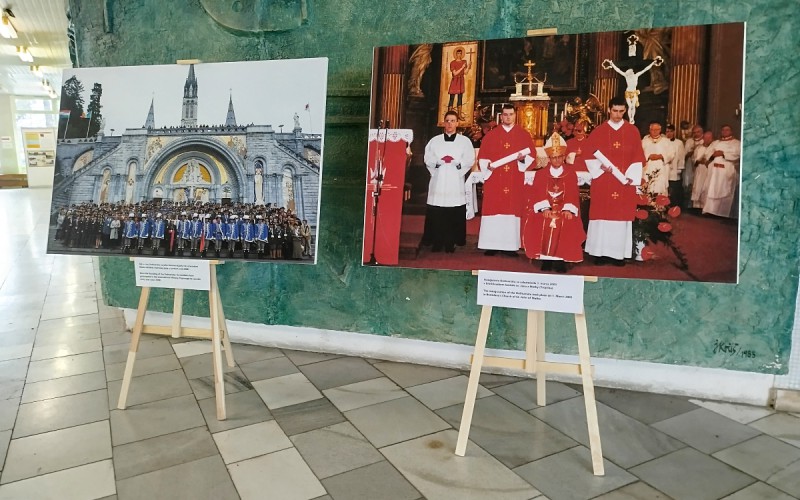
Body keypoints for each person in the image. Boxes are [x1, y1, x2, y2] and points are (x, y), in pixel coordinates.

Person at [582, 97, 645, 266]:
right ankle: (599, 253)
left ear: (626, 111)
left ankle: (618, 254)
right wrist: (600, 167)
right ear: (609, 110)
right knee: (602, 217)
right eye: (615, 111)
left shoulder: (633, 131)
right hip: (603, 180)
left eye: (621, 111)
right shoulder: (598, 131)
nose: (618, 115)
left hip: (624, 182)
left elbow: (638, 156)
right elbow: (588, 155)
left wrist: (631, 175)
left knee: (620, 218)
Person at [477, 104, 535, 256]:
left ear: (515, 116)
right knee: (494, 210)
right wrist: (487, 165)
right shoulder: (491, 135)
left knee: (512, 210)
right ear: (500, 116)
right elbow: (482, 157)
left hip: (514, 180)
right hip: (495, 180)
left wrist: (523, 160)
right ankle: (491, 244)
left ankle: (510, 246)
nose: (508, 117)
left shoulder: (524, 135)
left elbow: (532, 158)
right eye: (505, 114)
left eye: (511, 114)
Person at [523, 134, 585, 272]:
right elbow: (537, 193)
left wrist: (568, 209)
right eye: (553, 157)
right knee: (543, 219)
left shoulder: (570, 173)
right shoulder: (540, 174)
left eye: (559, 157)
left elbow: (572, 194)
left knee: (565, 220)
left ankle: (560, 260)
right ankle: (546, 259)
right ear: (549, 158)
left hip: (564, 208)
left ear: (564, 157)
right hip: (546, 207)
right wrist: (544, 208)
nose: (556, 160)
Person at [422, 110, 475, 253]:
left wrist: (457, 163)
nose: (450, 124)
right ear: (443, 123)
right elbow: (427, 158)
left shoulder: (465, 142)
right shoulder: (435, 140)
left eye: (453, 121)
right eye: (447, 121)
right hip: (438, 179)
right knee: (438, 211)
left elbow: (470, 159)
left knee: (452, 211)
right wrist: (437, 162)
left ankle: (451, 242)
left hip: (454, 181)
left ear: (457, 123)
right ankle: (436, 241)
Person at [703, 125, 740, 218]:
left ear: (731, 131)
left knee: (725, 190)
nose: (725, 131)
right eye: (723, 130)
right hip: (714, 170)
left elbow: (737, 155)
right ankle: (710, 211)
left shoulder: (736, 143)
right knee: (712, 188)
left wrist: (723, 153)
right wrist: (713, 155)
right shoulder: (715, 143)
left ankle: (723, 213)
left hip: (726, 170)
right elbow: (707, 153)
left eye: (727, 130)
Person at [641, 121, 673, 196]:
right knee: (648, 187)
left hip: (661, 168)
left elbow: (671, 154)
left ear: (660, 130)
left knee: (660, 188)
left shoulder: (666, 141)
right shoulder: (644, 141)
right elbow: (639, 153)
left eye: (657, 129)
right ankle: (648, 205)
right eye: (652, 130)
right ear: (649, 130)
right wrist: (648, 156)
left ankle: (660, 206)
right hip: (648, 168)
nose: (655, 131)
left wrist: (661, 156)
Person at [690, 131, 714, 209]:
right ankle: (696, 207)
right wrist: (699, 161)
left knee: (706, 188)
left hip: (708, 170)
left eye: (709, 138)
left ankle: (705, 208)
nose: (707, 140)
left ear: (712, 139)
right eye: (705, 138)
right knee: (697, 187)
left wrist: (708, 161)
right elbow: (694, 159)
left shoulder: (713, 148)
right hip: (699, 170)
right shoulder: (698, 148)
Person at [447, 48, 470, 119]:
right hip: (455, 81)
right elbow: (455, 73)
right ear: (456, 54)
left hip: (461, 81)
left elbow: (465, 72)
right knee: (452, 98)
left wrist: (468, 66)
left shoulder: (464, 61)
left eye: (460, 54)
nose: (459, 55)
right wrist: (462, 67)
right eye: (458, 53)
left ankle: (459, 115)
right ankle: (449, 115)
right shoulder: (453, 63)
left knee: (460, 98)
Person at [665, 124, 685, 207]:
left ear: (674, 132)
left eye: (671, 131)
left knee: (674, 188)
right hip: (665, 168)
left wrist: (680, 169)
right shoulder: (663, 141)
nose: (669, 133)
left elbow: (681, 156)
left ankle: (673, 206)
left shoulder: (679, 143)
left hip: (674, 170)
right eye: (667, 132)